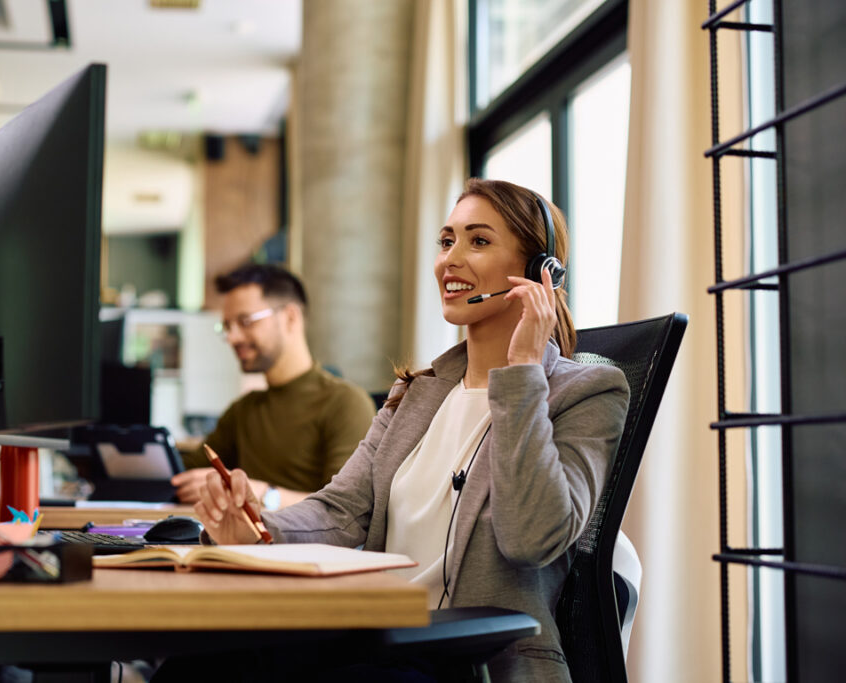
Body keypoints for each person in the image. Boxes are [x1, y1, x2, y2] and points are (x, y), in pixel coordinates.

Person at [191, 179, 631, 682]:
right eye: (447, 241)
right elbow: (342, 511)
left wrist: (522, 373)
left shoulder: (587, 392)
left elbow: (531, 539)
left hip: (473, 664)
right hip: (378, 638)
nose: (451, 260)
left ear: (538, 273)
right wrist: (259, 530)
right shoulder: (416, 392)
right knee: (199, 666)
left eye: (478, 241)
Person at [172, 264, 376, 510]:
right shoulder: (244, 410)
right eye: (227, 327)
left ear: (290, 317)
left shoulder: (345, 403)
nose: (233, 338)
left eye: (245, 321)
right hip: (242, 545)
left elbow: (345, 507)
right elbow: (186, 469)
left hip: (308, 548)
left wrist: (264, 495)